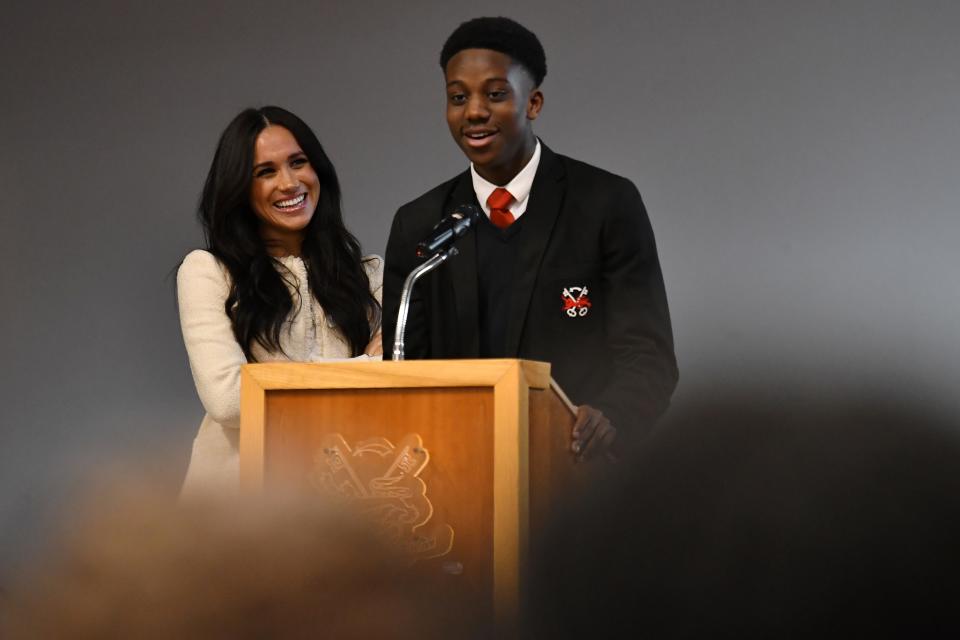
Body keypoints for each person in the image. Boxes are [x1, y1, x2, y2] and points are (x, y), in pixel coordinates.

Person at [382, 17, 678, 458]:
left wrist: (611, 415)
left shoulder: (605, 202)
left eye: (495, 93)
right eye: (458, 97)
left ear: (533, 102)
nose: (475, 111)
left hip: (575, 474)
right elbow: (406, 369)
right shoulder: (420, 223)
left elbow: (648, 355)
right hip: (456, 467)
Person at [177, 106, 382, 497]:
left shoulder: (367, 275)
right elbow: (228, 400)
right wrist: (364, 368)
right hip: (238, 509)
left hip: (343, 504)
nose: (289, 183)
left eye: (298, 163)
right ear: (238, 188)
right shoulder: (208, 272)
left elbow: (409, 380)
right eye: (265, 172)